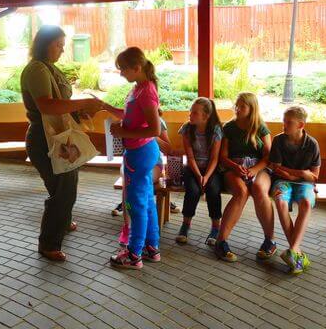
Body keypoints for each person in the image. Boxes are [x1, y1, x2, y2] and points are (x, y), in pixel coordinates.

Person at [20, 26, 103, 262]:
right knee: (62, 190)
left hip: (55, 135)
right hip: (43, 138)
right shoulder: (37, 69)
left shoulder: (48, 67)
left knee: (67, 183)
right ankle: (48, 244)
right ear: (45, 44)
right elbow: (46, 105)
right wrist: (82, 103)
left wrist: (80, 111)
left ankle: (63, 221)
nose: (62, 50)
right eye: (58, 45)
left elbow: (59, 104)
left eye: (62, 45)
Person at [105, 47, 161, 269]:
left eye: (123, 69)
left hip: (140, 153)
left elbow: (155, 129)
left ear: (137, 68)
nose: (121, 73)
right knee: (146, 200)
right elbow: (129, 114)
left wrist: (123, 132)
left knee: (135, 204)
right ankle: (151, 247)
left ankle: (134, 254)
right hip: (141, 152)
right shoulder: (139, 88)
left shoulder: (146, 92)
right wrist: (105, 107)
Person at [215, 92, 273, 262]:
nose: (238, 109)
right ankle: (221, 241)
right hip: (234, 167)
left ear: (252, 108)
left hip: (258, 167)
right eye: (237, 105)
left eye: (242, 106)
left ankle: (269, 241)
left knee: (259, 189)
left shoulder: (260, 127)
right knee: (241, 192)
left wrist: (255, 169)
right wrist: (235, 167)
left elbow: (268, 156)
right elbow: (223, 157)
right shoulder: (229, 127)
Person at [116, 108, 182, 248]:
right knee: (128, 183)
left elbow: (168, 148)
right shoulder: (130, 121)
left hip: (153, 164)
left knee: (138, 183)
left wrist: (151, 135)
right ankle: (128, 226)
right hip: (132, 162)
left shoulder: (158, 122)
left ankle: (143, 234)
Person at [268, 106, 320, 274]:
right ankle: (296, 253)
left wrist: (295, 175)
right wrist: (301, 173)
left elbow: (314, 176)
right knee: (280, 201)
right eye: (284, 121)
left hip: (304, 184)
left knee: (306, 203)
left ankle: (293, 249)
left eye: (288, 122)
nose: (284, 125)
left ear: (301, 125)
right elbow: (276, 167)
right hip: (282, 181)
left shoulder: (312, 144)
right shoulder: (278, 140)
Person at [175, 97, 224, 247]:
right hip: (193, 167)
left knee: (213, 190)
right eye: (191, 111)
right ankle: (185, 225)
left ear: (206, 116)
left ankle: (215, 228)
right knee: (193, 190)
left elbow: (215, 158)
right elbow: (190, 157)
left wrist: (206, 177)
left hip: (211, 168)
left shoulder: (216, 130)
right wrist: (198, 176)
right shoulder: (187, 129)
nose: (190, 114)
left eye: (195, 112)